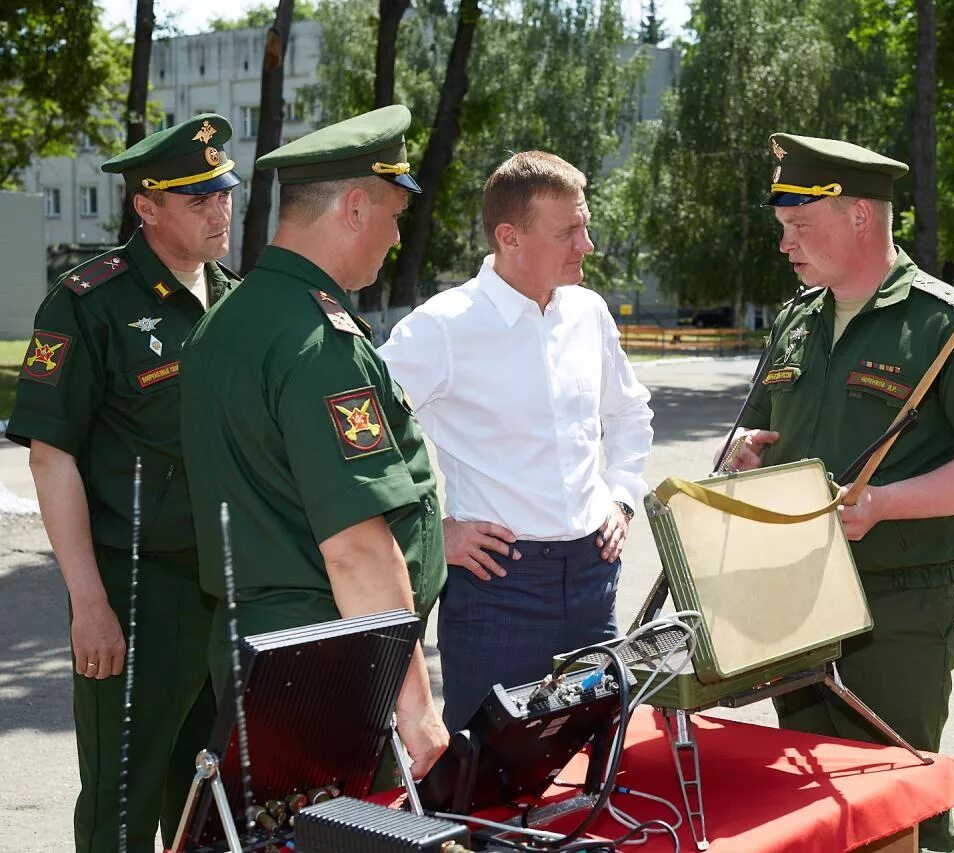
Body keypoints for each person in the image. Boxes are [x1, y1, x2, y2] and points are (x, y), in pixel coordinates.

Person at [724, 132, 954, 853]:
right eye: (783, 228)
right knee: (812, 802)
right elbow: (767, 432)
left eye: (800, 226)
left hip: (895, 606)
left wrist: (886, 502)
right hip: (798, 599)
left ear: (860, 215)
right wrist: (748, 451)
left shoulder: (946, 324)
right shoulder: (797, 321)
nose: (785, 245)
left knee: (901, 798)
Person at [179, 105, 448, 777]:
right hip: (331, 665)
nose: (393, 239)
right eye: (391, 217)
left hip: (263, 653)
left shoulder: (226, 321)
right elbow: (357, 549)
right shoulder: (317, 342)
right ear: (353, 207)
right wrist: (414, 703)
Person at [4, 114, 241, 852]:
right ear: (147, 206)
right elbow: (52, 457)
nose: (220, 209)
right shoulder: (87, 303)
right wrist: (90, 605)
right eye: (197, 198)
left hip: (229, 592)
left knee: (215, 798)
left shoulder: (235, 299)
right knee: (121, 802)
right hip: (138, 590)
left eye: (224, 192)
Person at [379, 151, 654, 732]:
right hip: (500, 586)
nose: (588, 244)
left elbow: (630, 412)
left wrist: (622, 498)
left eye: (585, 224)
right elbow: (356, 438)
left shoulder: (589, 312)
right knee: (486, 780)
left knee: (595, 758)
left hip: (592, 576)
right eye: (569, 231)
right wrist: (430, 533)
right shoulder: (443, 328)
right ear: (510, 237)